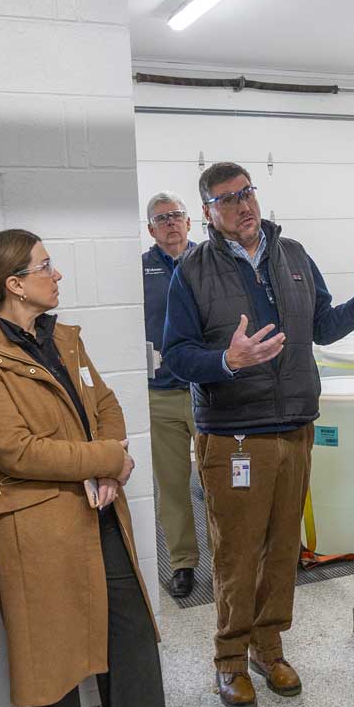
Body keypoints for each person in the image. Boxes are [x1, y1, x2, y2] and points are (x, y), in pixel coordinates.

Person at [0, 229, 205, 707]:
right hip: (37, 528)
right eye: (45, 266)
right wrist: (106, 459)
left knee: (132, 638)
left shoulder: (63, 338)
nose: (57, 274)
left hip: (98, 513)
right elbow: (16, 450)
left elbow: (106, 404)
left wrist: (107, 461)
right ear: (15, 284)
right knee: (52, 652)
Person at [161, 161, 354, 707]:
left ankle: (268, 646)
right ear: (208, 211)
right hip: (235, 435)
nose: (243, 205)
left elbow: (322, 326)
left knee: (283, 548)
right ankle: (230, 660)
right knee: (237, 554)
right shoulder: (192, 270)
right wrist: (227, 361)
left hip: (294, 428)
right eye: (228, 199)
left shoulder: (294, 255)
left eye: (247, 193)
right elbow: (177, 355)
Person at [142, 191, 201, 599]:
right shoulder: (139, 270)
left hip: (206, 392)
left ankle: (230, 556)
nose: (170, 223)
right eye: (161, 219)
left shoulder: (210, 262)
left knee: (219, 482)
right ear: (151, 230)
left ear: (190, 222)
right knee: (172, 485)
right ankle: (182, 562)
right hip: (160, 395)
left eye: (177, 215)